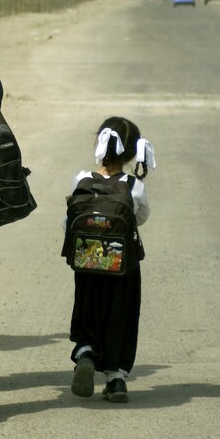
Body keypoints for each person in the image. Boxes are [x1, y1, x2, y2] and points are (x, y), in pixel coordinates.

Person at [67, 117, 152, 403]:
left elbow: (69, 221)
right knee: (121, 316)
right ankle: (116, 379)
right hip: (122, 266)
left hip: (87, 264)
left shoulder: (81, 180)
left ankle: (87, 353)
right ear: (131, 153)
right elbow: (140, 217)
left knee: (88, 307)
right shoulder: (133, 185)